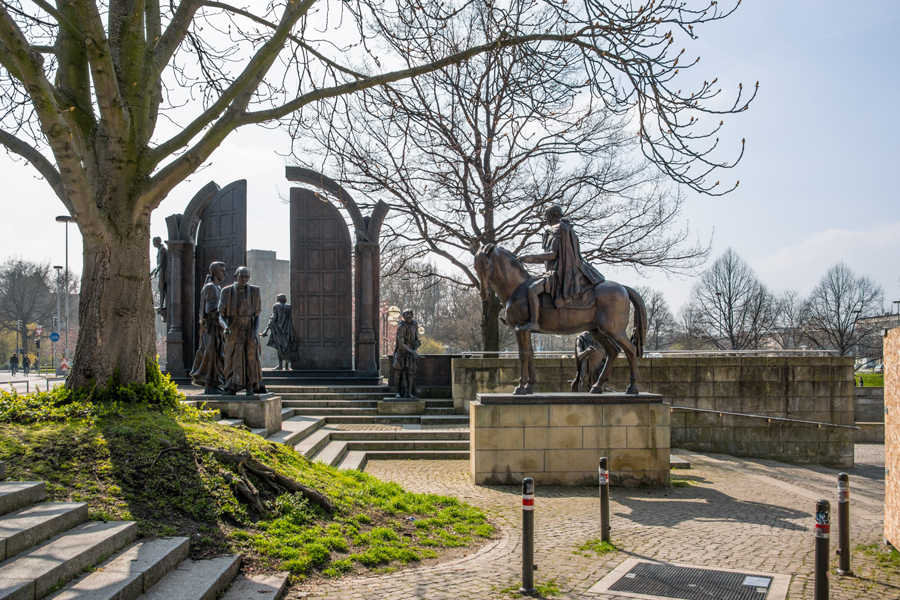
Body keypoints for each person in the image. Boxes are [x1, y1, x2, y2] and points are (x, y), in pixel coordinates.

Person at [517, 205, 604, 332]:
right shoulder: (567, 229)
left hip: (558, 274)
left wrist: (529, 257)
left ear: (550, 216)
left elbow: (552, 254)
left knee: (532, 290)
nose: (545, 218)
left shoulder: (556, 230)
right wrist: (531, 260)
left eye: (546, 215)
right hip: (572, 272)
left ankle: (534, 322)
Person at [219, 266, 265, 395]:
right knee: (230, 358)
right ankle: (230, 386)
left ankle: (250, 387)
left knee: (251, 358)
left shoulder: (255, 291)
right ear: (236, 276)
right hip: (232, 328)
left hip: (250, 327)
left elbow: (257, 315)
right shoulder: (226, 291)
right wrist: (225, 327)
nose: (244, 279)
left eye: (246, 277)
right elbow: (220, 315)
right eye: (241, 276)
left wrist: (256, 332)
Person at [190, 261, 226, 395]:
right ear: (215, 272)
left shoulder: (218, 288)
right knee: (210, 355)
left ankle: (214, 383)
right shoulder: (210, 287)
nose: (225, 274)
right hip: (211, 328)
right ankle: (210, 384)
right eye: (222, 271)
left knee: (217, 355)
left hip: (217, 328)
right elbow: (210, 309)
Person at [260, 294, 299, 370]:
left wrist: (266, 330)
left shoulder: (276, 306)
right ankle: (287, 367)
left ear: (278, 299)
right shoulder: (289, 306)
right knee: (287, 346)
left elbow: (273, 319)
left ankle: (280, 366)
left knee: (279, 346)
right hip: (288, 329)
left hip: (278, 329)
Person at [393, 309, 421, 399]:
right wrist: (413, 352)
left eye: (410, 317)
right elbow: (401, 343)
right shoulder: (401, 327)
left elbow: (416, 339)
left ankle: (410, 393)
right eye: (407, 317)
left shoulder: (414, 325)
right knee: (398, 372)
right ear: (404, 317)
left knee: (411, 373)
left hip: (411, 353)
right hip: (401, 353)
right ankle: (397, 392)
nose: (409, 319)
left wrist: (415, 349)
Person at [150, 237, 168, 310]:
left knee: (162, 288)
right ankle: (163, 305)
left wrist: (155, 272)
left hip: (163, 271)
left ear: (156, 242)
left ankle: (162, 305)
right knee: (161, 288)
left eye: (153, 242)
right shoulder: (160, 250)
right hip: (161, 270)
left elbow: (160, 264)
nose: (152, 243)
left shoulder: (162, 249)